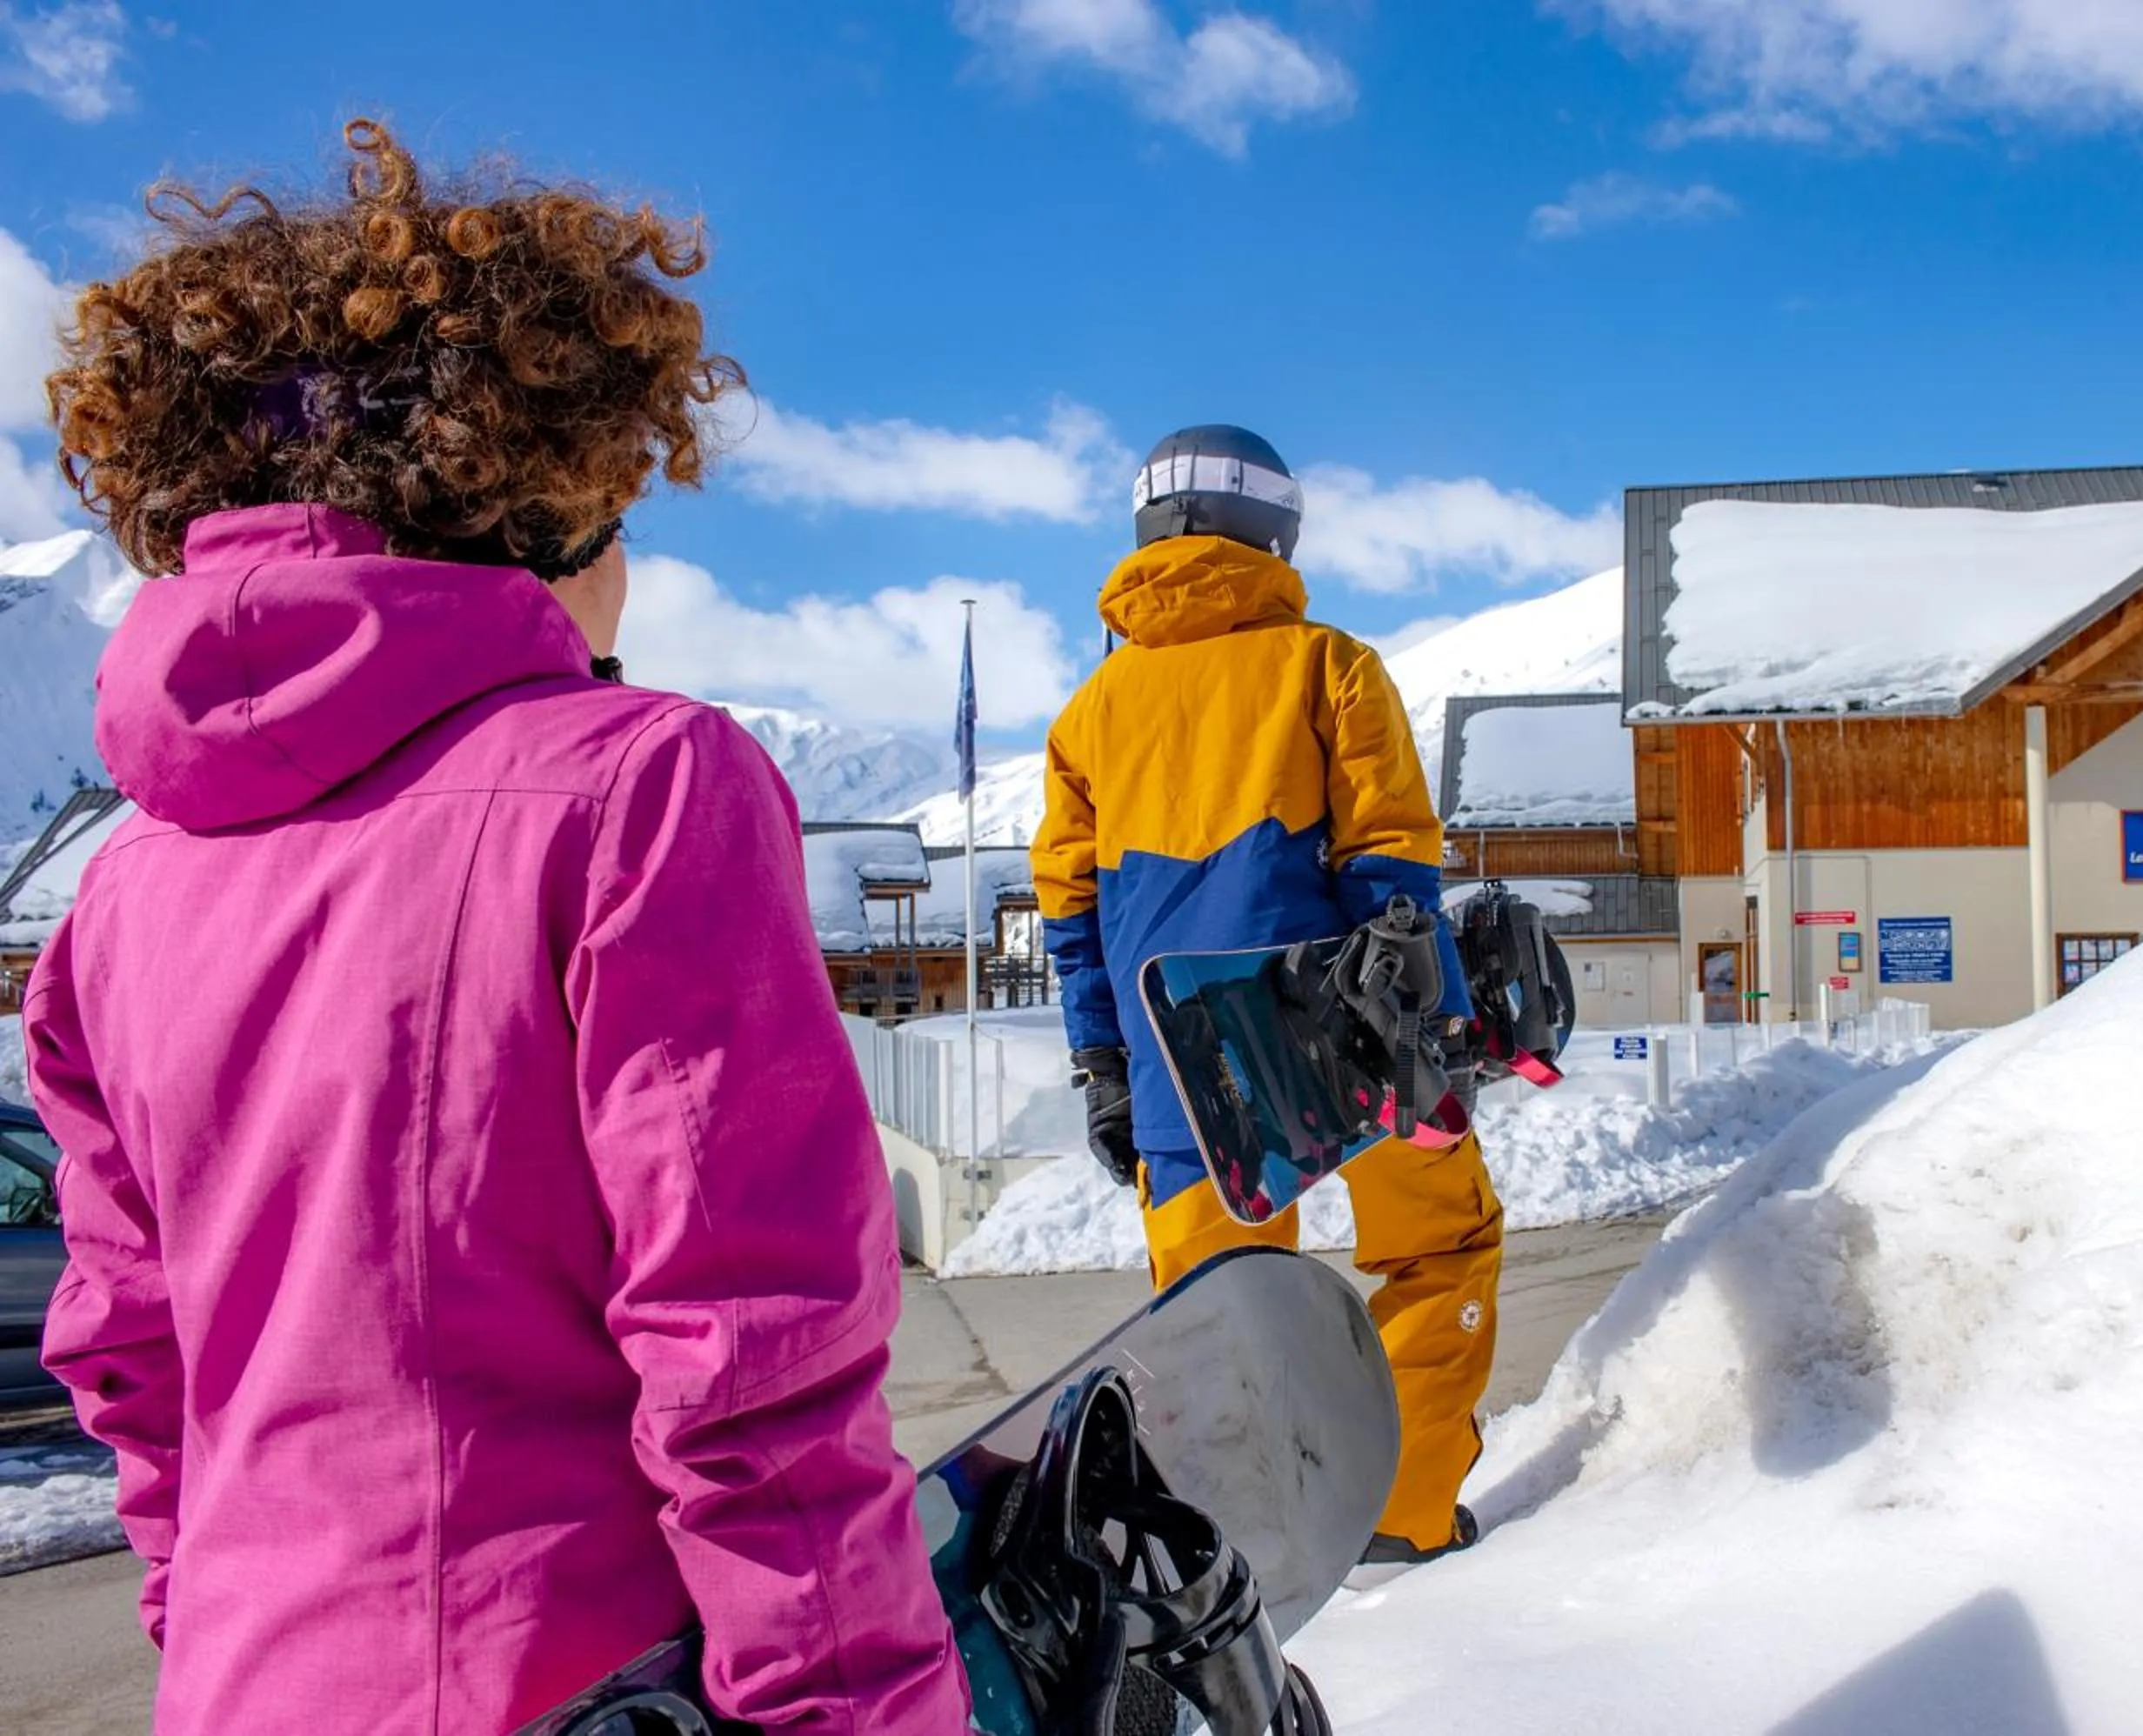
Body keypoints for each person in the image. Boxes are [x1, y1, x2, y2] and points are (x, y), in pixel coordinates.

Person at [30, 120, 969, 1732]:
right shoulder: (641, 789)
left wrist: (225, 1643)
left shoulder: (115, 893)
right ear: (539, 508)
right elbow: (751, 1371)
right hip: (581, 1681)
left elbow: (139, 1370)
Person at [1031, 424, 1504, 1566]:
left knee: (1214, 1320)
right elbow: (1393, 868)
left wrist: (1103, 1069)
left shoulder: (1086, 719)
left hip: (1180, 1075)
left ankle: (1251, 1552)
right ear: (1277, 529)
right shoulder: (1328, 664)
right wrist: (1436, 1029)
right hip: (1349, 1040)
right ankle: (1406, 1511)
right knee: (1438, 1248)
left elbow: (1070, 924)